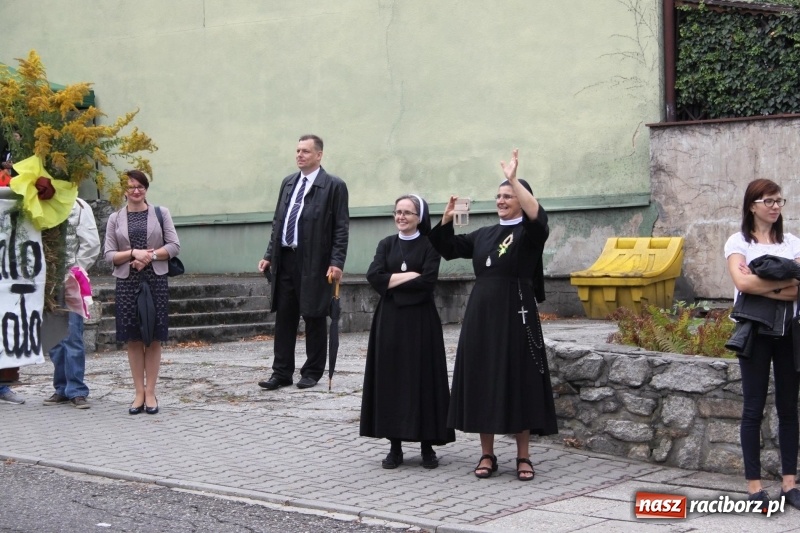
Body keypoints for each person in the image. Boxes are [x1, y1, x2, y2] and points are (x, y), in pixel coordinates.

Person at [428, 149, 557, 481]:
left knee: (520, 379)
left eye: (508, 195)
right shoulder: (483, 235)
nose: (501, 200)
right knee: (484, 378)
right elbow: (447, 248)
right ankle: (487, 454)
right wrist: (444, 220)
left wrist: (515, 178)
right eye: (499, 195)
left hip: (517, 312)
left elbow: (539, 217)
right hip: (482, 315)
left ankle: (524, 457)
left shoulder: (529, 234)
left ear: (520, 199)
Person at [360, 194, 455, 469]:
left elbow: (427, 282)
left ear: (419, 217)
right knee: (392, 380)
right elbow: (373, 277)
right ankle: (395, 448)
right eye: (398, 212)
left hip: (421, 321)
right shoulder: (386, 244)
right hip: (390, 322)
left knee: (423, 379)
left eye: (407, 213)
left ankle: (428, 447)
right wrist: (409, 276)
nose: (401, 217)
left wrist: (392, 281)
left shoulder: (429, 245)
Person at [724, 178, 800, 508]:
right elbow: (741, 282)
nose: (774, 207)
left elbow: (797, 289)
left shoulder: (793, 243)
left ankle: (789, 483)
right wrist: (781, 283)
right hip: (754, 332)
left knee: (788, 409)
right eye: (768, 201)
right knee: (753, 409)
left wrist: (762, 284)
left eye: (779, 201)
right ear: (752, 205)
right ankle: (754, 487)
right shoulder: (738, 241)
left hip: (790, 331)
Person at [257, 135, 349, 391]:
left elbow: (341, 227)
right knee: (285, 317)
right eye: (297, 150)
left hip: (315, 261)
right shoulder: (288, 183)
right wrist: (268, 255)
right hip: (285, 259)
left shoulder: (333, 186)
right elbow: (278, 221)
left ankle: (312, 372)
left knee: (314, 314)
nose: (299, 155)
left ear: (319, 155)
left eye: (305, 151)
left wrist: (337, 261)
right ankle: (281, 372)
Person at [104, 170, 180, 415]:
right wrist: (132, 254)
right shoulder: (115, 218)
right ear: (124, 190)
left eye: (141, 187)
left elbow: (174, 246)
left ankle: (151, 392)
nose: (136, 191)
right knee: (134, 338)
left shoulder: (161, 213)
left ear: (146, 189)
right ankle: (138, 392)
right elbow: (109, 255)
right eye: (131, 187)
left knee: (154, 336)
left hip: (155, 280)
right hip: (127, 283)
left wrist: (149, 256)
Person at [43, 198, 101, 409]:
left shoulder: (79, 206)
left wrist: (76, 269)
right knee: (54, 337)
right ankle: (61, 388)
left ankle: (77, 390)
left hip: (71, 278)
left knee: (73, 334)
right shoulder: (40, 201)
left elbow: (91, 243)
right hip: (47, 280)